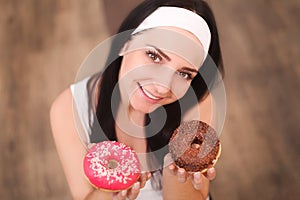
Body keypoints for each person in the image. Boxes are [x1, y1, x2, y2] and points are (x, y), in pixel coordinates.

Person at [50, 0, 224, 199]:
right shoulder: (68, 108)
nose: (162, 87)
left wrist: (174, 174)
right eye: (154, 55)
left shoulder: (197, 103)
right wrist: (117, 196)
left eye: (184, 74)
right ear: (125, 42)